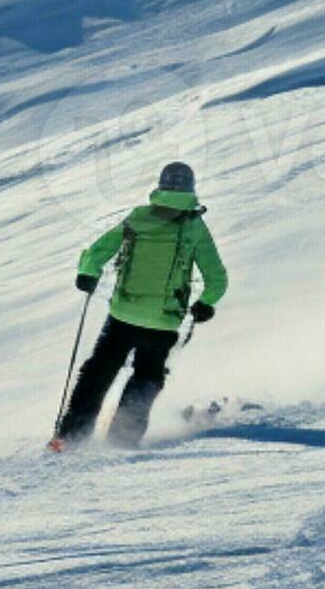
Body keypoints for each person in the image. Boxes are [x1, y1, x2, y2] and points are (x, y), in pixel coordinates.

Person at [56, 162, 229, 449]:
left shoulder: (139, 217)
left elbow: (99, 250)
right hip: (163, 323)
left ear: (160, 186)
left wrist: (88, 273)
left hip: (123, 314)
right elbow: (217, 278)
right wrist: (205, 305)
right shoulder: (193, 227)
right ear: (190, 189)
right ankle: (122, 439)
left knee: (98, 373)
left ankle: (71, 438)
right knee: (146, 377)